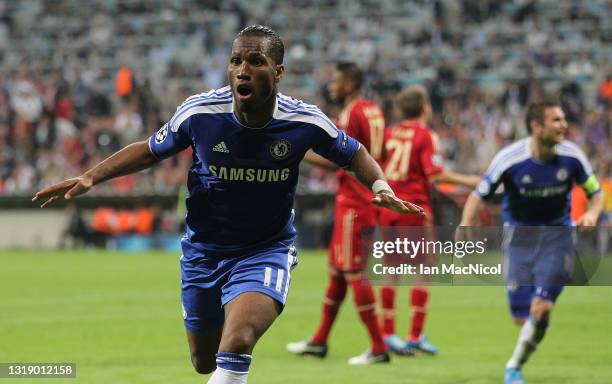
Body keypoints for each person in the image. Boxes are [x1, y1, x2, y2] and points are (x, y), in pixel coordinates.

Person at [32, 25, 424, 384]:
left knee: (236, 343)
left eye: (256, 61)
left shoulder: (305, 121)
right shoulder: (200, 113)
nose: (243, 70)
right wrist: (91, 176)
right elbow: (150, 150)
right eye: (236, 61)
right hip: (203, 251)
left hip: (265, 249)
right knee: (204, 361)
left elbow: (353, 153)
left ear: (279, 72)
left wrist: (379, 184)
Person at [458, 100, 603, 384]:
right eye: (556, 120)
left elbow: (595, 192)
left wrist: (593, 212)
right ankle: (523, 352)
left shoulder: (573, 157)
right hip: (519, 240)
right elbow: (479, 193)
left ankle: (513, 367)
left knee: (542, 307)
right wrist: (465, 222)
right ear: (537, 126)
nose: (564, 125)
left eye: (564, 119)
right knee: (521, 317)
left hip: (558, 237)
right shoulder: (510, 158)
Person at [286, 62, 391, 365]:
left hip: (355, 202)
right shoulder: (374, 110)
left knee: (354, 272)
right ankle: (319, 341)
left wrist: (299, 155)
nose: (331, 85)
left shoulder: (352, 113)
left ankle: (379, 347)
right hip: (361, 199)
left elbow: (343, 159)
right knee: (337, 272)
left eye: (335, 80)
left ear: (350, 83)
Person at [377, 85, 480, 355]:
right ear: (425, 108)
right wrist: (469, 180)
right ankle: (415, 335)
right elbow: (434, 175)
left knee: (391, 270)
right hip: (413, 208)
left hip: (388, 207)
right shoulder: (425, 135)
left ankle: (387, 334)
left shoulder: (389, 134)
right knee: (424, 269)